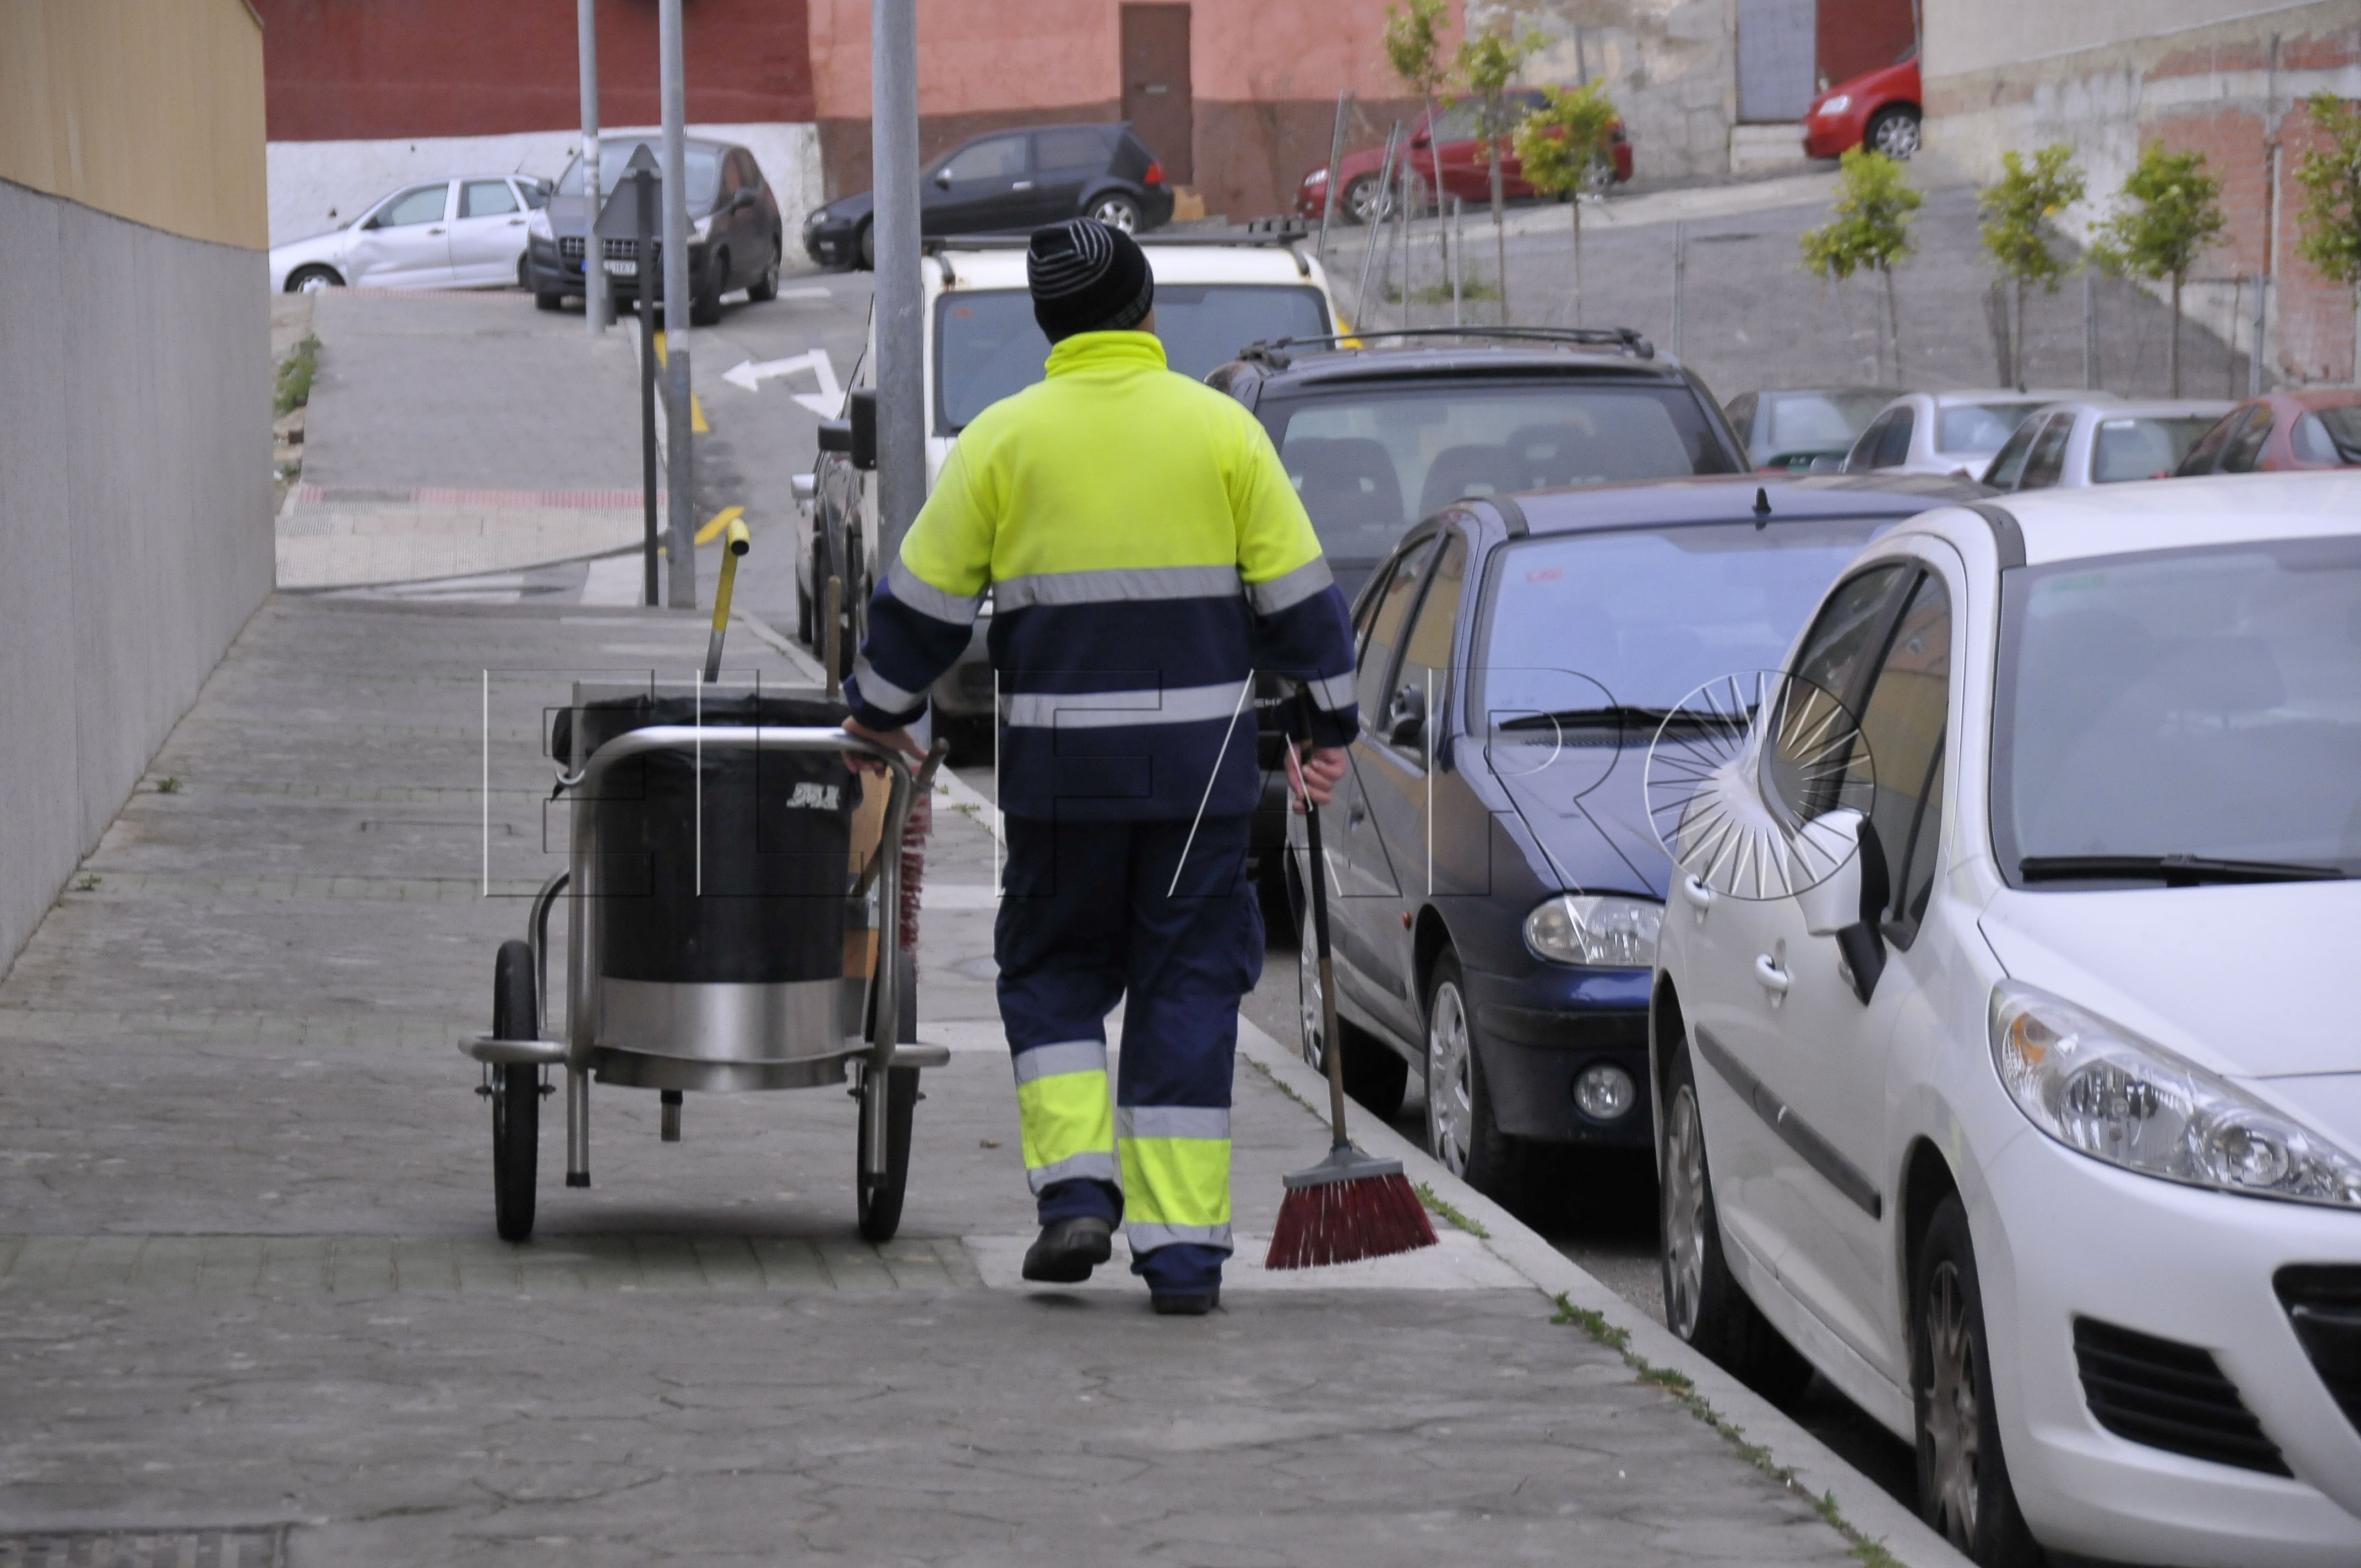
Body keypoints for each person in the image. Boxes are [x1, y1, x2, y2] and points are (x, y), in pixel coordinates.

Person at [844, 217, 1354, 1314]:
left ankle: (1075, 1190)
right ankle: (1180, 1259)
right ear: (1144, 312)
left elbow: (923, 608)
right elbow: (1301, 602)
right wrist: (1329, 730)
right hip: (1197, 790)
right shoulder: (1220, 433)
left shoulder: (1000, 440)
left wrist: (877, 711)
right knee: (1183, 989)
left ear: (1047, 326)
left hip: (1058, 787)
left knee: (1052, 973)